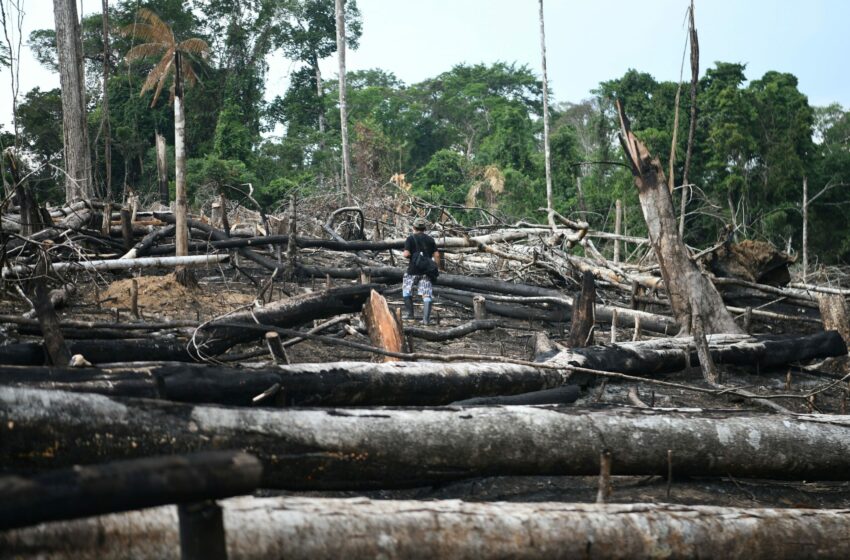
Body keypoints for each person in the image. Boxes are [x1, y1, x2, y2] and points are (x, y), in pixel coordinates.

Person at [402, 217, 441, 325]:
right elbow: (437, 255)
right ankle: (426, 320)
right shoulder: (430, 240)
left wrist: (409, 255)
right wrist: (437, 267)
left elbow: (406, 254)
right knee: (426, 294)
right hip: (426, 272)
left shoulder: (410, 239)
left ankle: (410, 316)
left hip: (412, 271)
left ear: (414, 227)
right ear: (424, 228)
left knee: (406, 290)